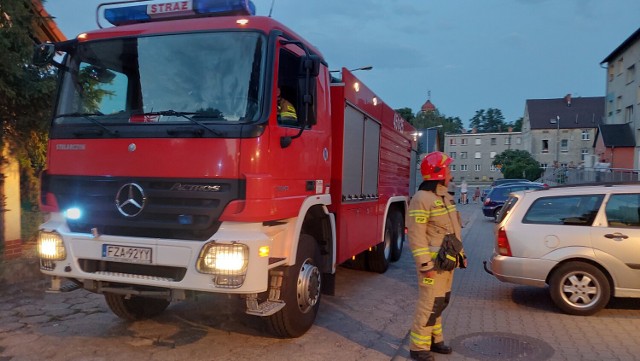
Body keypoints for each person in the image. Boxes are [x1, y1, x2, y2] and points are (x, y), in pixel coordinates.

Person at [406, 152, 466, 361]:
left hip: (447, 263)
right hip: (433, 266)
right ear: (438, 172)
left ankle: (435, 340)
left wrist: (461, 255)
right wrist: (425, 264)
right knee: (429, 304)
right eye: (447, 169)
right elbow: (416, 234)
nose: (450, 173)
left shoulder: (445, 197)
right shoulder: (421, 199)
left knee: (441, 302)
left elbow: (454, 230)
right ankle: (418, 348)